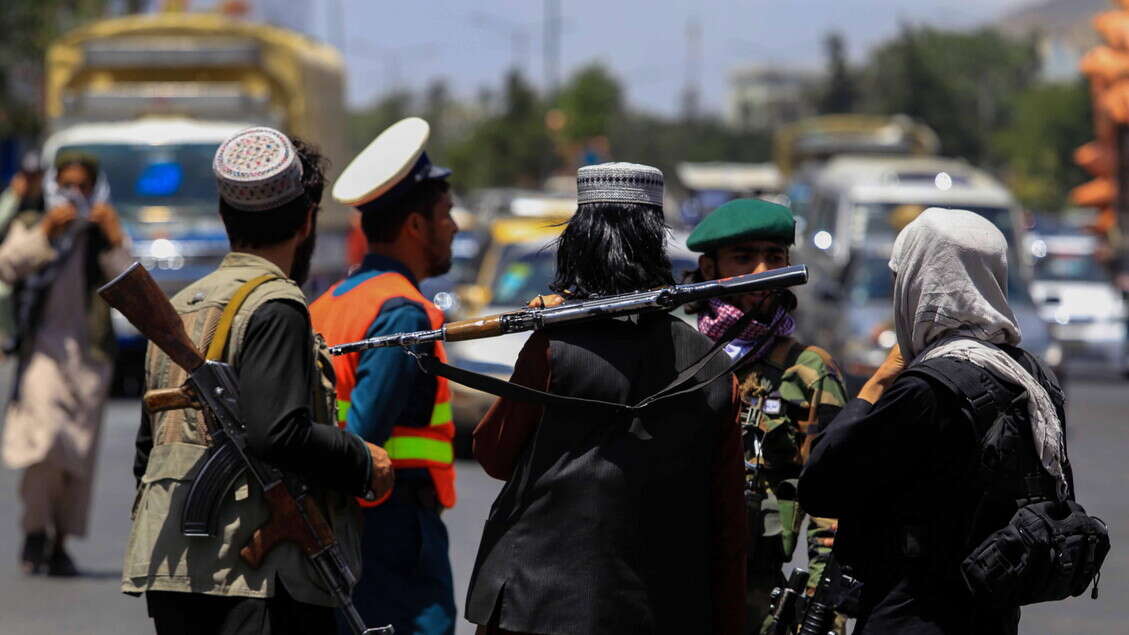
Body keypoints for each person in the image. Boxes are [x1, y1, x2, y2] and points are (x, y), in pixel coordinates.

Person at [122, 127, 393, 635]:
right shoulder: (275, 305)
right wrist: (362, 459)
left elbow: (148, 451)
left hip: (178, 571)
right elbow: (278, 433)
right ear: (307, 220)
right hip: (254, 580)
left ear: (226, 217)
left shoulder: (179, 308)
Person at [465, 162, 746, 635]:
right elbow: (728, 526)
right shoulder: (712, 365)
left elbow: (493, 453)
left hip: (538, 609)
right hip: (664, 614)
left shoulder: (552, 348)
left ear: (581, 240)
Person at [800, 208, 1073, 634]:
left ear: (920, 283)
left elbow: (821, 484)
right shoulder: (1032, 377)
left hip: (912, 615)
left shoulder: (926, 390)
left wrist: (875, 385)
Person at [310, 117, 459, 635]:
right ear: (416, 226)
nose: (455, 227)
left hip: (344, 525)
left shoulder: (329, 303)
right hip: (391, 527)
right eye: (446, 213)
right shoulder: (402, 311)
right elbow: (363, 436)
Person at [685, 198, 847, 632]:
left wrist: (822, 611)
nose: (763, 271)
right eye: (744, 258)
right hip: (669, 588)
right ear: (708, 268)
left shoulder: (808, 372)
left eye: (774, 257)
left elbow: (832, 508)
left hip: (755, 597)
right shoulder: (675, 360)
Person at [0, 151, 129, 576]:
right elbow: (7, 266)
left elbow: (130, 283)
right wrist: (45, 232)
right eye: (67, 185)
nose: (75, 195)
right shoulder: (34, 224)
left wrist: (112, 238)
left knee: (78, 453)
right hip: (42, 352)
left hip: (89, 357)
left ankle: (59, 542)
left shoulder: (100, 233)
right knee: (47, 441)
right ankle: (34, 529)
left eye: (83, 187)